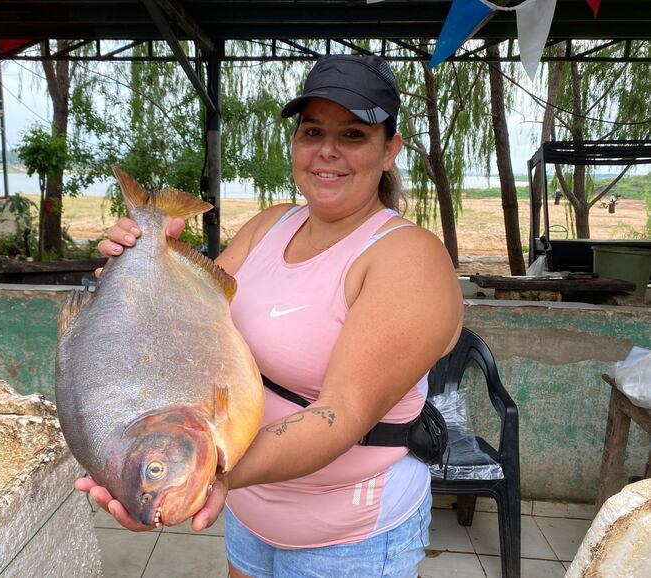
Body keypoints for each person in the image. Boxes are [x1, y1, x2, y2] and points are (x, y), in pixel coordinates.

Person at [77, 54, 463, 577]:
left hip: (348, 539)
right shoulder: (271, 224)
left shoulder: (409, 258)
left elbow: (341, 415)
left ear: (389, 149)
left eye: (353, 134)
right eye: (312, 132)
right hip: (252, 517)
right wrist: (137, 276)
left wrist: (209, 472)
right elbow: (191, 325)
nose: (327, 151)